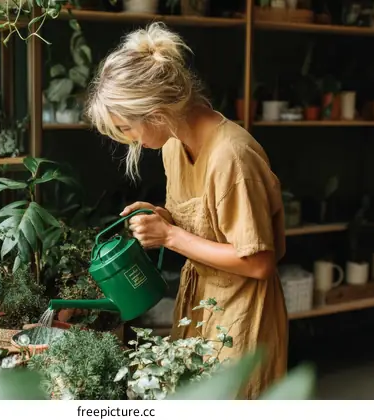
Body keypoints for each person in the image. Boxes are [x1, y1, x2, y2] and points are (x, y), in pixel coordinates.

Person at [85, 22, 288, 399]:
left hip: (242, 315)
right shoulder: (173, 146)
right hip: (200, 303)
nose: (131, 140)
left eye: (128, 128)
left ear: (157, 113)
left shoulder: (232, 156)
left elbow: (259, 262)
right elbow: (207, 225)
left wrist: (171, 236)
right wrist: (164, 218)